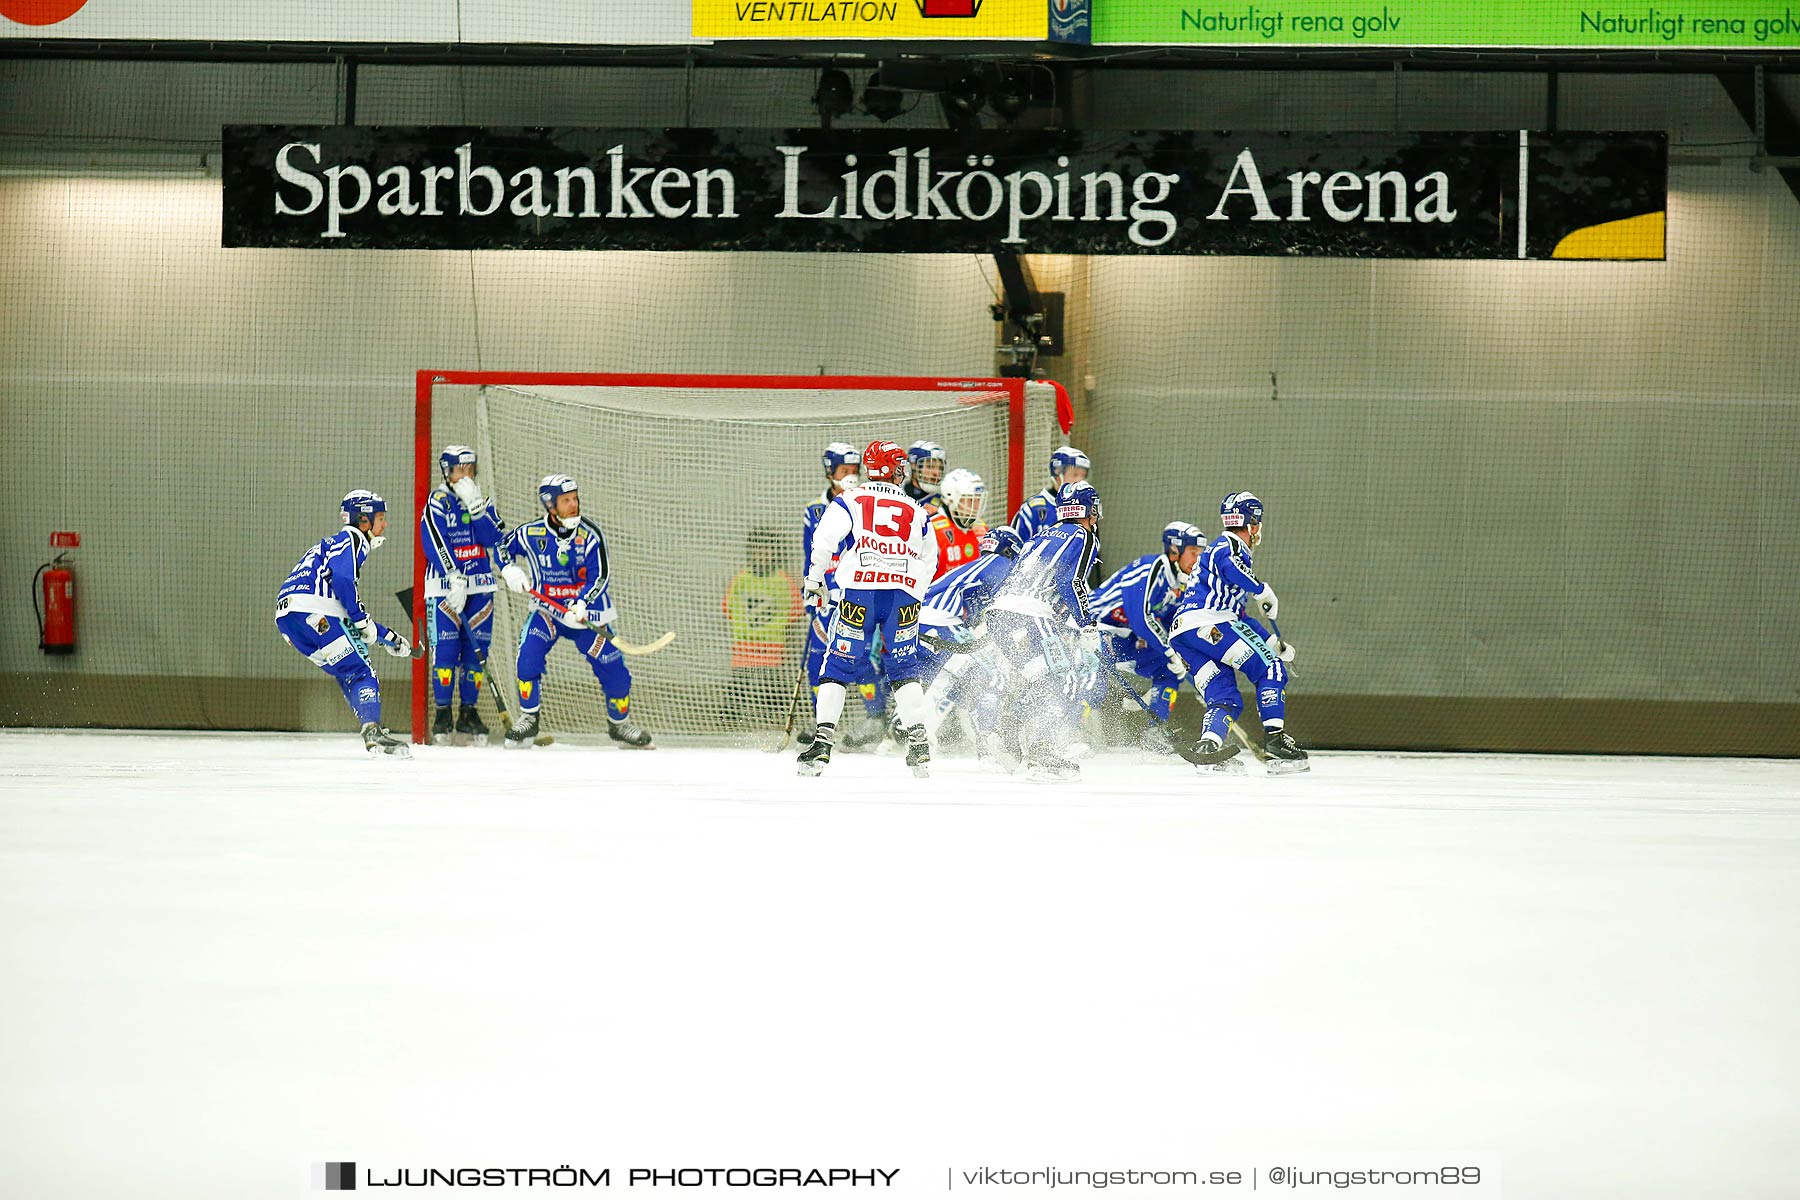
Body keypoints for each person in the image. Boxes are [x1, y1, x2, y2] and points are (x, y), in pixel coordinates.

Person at [796, 440, 939, 779]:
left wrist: (815, 579)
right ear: (893, 469)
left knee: (839, 662)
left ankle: (822, 742)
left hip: (860, 590)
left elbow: (824, 540)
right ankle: (918, 744)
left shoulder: (850, 498)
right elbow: (929, 557)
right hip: (902, 596)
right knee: (904, 665)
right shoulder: (916, 509)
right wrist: (914, 592)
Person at [497, 474, 654, 750]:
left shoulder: (590, 534)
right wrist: (509, 569)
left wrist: (581, 603)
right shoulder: (530, 533)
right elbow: (501, 547)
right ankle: (529, 718)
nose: (573, 505)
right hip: (547, 612)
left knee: (615, 672)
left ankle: (620, 724)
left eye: (574, 498)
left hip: (586, 616)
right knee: (527, 660)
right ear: (550, 505)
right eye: (565, 500)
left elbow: (600, 576)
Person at [1168, 491, 1308, 775]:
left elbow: (1238, 616)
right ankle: (1276, 743)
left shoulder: (1219, 552)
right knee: (1271, 670)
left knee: (1224, 698)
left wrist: (1272, 641)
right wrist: (1262, 589)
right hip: (1212, 626)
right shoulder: (1229, 547)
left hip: (1186, 635)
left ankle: (1208, 747)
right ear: (1253, 523)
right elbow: (1229, 567)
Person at [275, 490, 414, 757]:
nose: (384, 525)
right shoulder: (352, 539)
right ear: (364, 520)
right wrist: (365, 622)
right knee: (361, 672)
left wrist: (388, 639)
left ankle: (370, 727)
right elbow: (342, 581)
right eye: (380, 518)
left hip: (289, 620)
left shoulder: (328, 546)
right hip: (316, 612)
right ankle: (373, 732)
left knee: (348, 671)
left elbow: (346, 614)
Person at [986, 480, 1106, 780]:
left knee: (1042, 681)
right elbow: (1071, 583)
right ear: (1090, 510)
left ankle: (1006, 734)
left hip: (1000, 614)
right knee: (1065, 681)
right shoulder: (1084, 536)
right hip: (1030, 614)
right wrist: (1087, 624)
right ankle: (1043, 754)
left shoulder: (1041, 535)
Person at [418, 445, 507, 746]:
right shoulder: (437, 501)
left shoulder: (482, 500)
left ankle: (468, 712)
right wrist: (452, 574)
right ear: (447, 471)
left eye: (471, 469)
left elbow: (494, 539)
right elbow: (433, 540)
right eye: (460, 469)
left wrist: (477, 509)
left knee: (475, 655)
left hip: (480, 586)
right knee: (445, 653)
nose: (466, 475)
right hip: (446, 587)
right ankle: (442, 714)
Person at [800, 442, 886, 745]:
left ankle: (876, 719)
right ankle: (819, 722)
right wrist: (811, 588)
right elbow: (811, 553)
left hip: (857, 592)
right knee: (816, 660)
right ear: (830, 472)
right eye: (843, 471)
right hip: (826, 594)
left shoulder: (864, 503)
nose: (851, 476)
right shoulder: (814, 510)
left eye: (855, 471)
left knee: (858, 657)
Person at [916, 525, 1023, 743]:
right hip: (942, 622)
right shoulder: (1001, 563)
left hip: (918, 623)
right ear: (1011, 551)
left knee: (950, 679)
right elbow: (1005, 610)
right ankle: (989, 741)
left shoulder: (975, 567)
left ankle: (919, 735)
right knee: (991, 676)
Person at [1093, 520, 1204, 724]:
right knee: (1094, 682)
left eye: (1200, 553)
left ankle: (1156, 730)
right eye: (1193, 552)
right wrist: (1170, 651)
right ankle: (1071, 734)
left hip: (1126, 638)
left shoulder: (1181, 583)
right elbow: (1141, 619)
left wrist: (1193, 667)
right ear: (1174, 550)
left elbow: (1173, 626)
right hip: (1095, 629)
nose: (1197, 560)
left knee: (1169, 668)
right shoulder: (1149, 569)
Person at [721, 527, 803, 728]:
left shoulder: (783, 581)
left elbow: (794, 612)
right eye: (758, 550)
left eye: (767, 550)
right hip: (744, 646)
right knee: (739, 683)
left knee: (772, 684)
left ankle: (778, 715)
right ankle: (730, 716)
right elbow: (729, 609)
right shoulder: (741, 579)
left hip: (772, 648)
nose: (762, 555)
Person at [1008, 445, 1091, 541]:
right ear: (1057, 473)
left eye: (1083, 476)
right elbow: (1014, 547)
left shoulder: (1086, 512)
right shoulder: (1032, 509)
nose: (1080, 481)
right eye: (1075, 474)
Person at [927, 467, 988, 581]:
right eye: (970, 500)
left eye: (978, 500)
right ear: (952, 499)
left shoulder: (982, 529)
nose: (976, 506)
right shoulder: (931, 530)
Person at [904, 440, 947, 511]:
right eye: (930, 466)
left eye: (940, 468)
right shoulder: (896, 494)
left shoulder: (944, 504)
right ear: (913, 465)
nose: (937, 473)